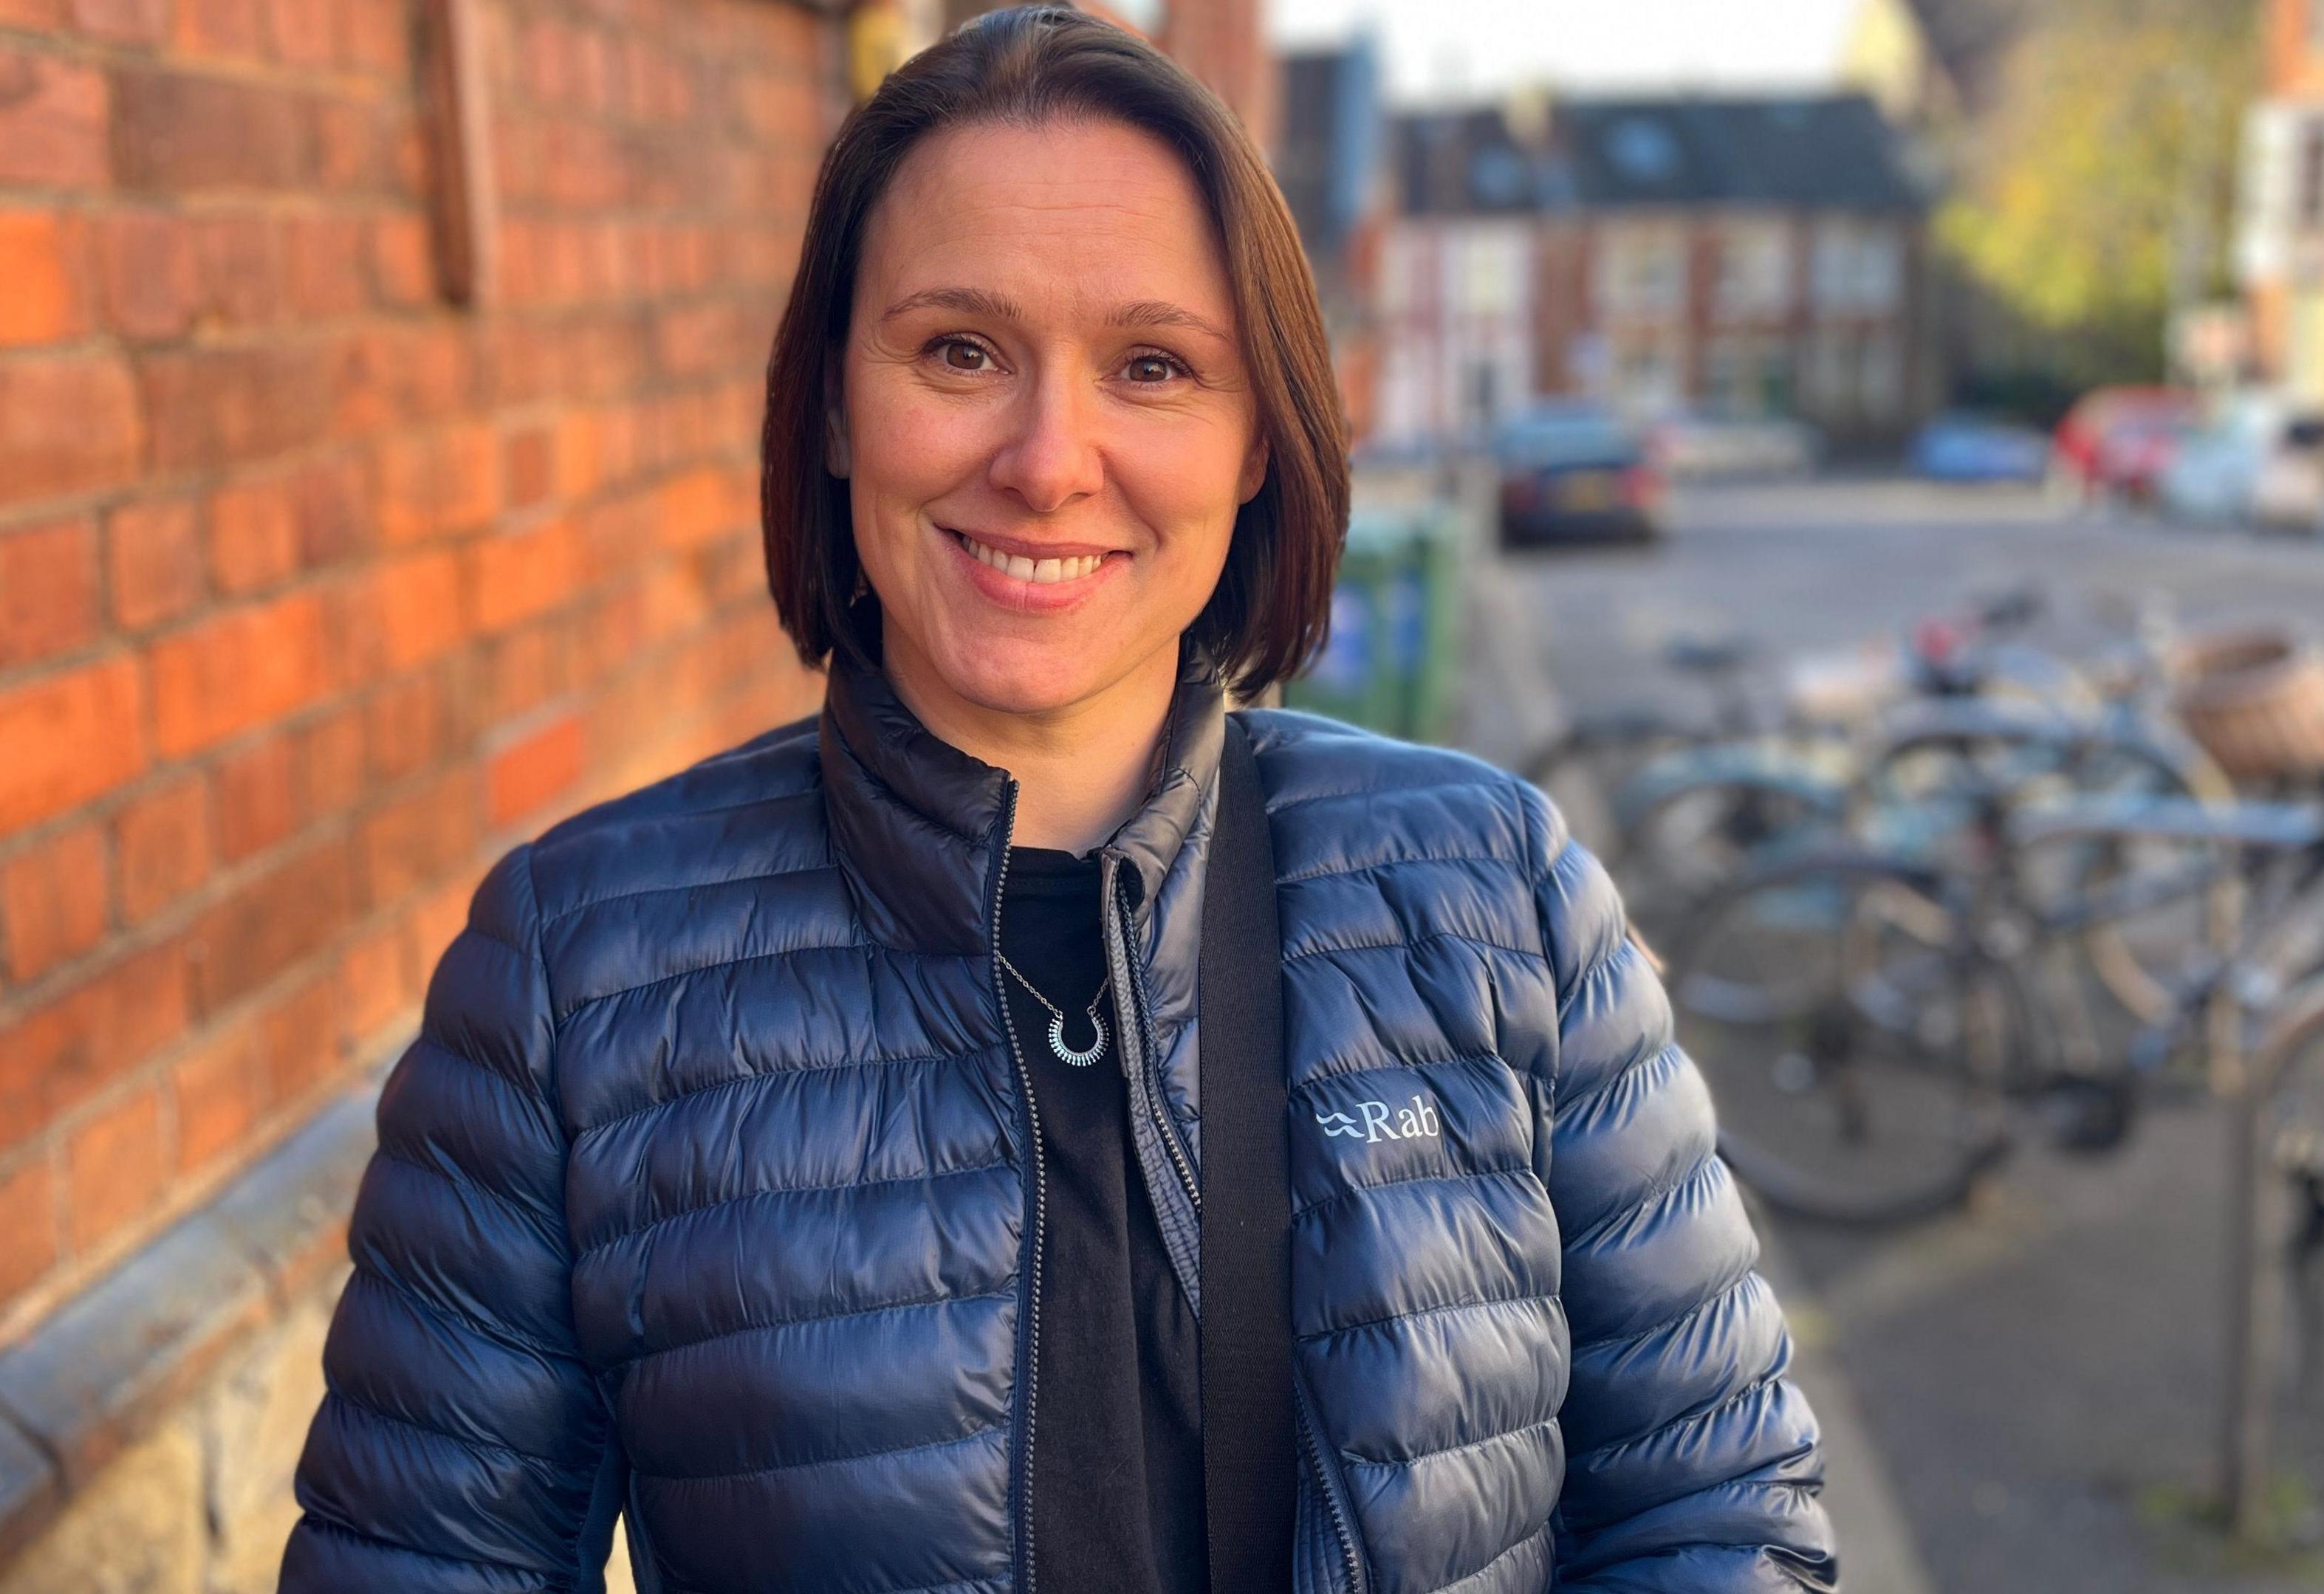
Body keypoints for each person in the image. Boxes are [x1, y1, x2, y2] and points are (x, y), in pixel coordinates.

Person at [278, 8, 1836, 1593]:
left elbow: (1720, 1511)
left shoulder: (1498, 893)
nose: (1046, 461)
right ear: (835, 405)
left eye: (1153, 367)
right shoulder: (575, 973)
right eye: (960, 351)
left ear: (1255, 441)